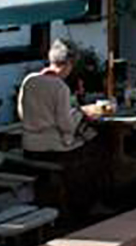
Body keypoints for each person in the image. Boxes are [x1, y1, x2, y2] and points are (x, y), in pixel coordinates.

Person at [17, 41, 111, 215]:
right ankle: (85, 205)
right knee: (97, 150)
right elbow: (66, 125)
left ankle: (65, 200)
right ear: (68, 64)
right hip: (52, 147)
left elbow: (22, 112)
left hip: (29, 144)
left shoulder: (29, 81)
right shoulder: (60, 87)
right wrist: (80, 113)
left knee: (88, 147)